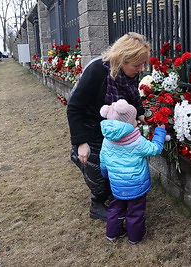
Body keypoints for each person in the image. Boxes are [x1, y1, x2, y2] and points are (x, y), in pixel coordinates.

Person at [66, 32, 151, 221]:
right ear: (122, 59)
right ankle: (97, 204)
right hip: (91, 126)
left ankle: (114, 196)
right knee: (96, 167)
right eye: (137, 65)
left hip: (111, 128)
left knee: (114, 166)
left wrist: (141, 113)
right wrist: (81, 142)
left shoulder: (129, 74)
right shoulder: (98, 71)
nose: (140, 69)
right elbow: (74, 107)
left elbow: (132, 96)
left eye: (141, 64)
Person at [99, 99, 166, 244]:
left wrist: (106, 174)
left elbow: (103, 160)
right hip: (136, 183)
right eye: (134, 119)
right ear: (128, 123)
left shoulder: (107, 140)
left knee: (115, 207)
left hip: (116, 182)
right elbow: (155, 149)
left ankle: (112, 233)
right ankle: (135, 237)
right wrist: (160, 130)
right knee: (135, 211)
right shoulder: (136, 141)